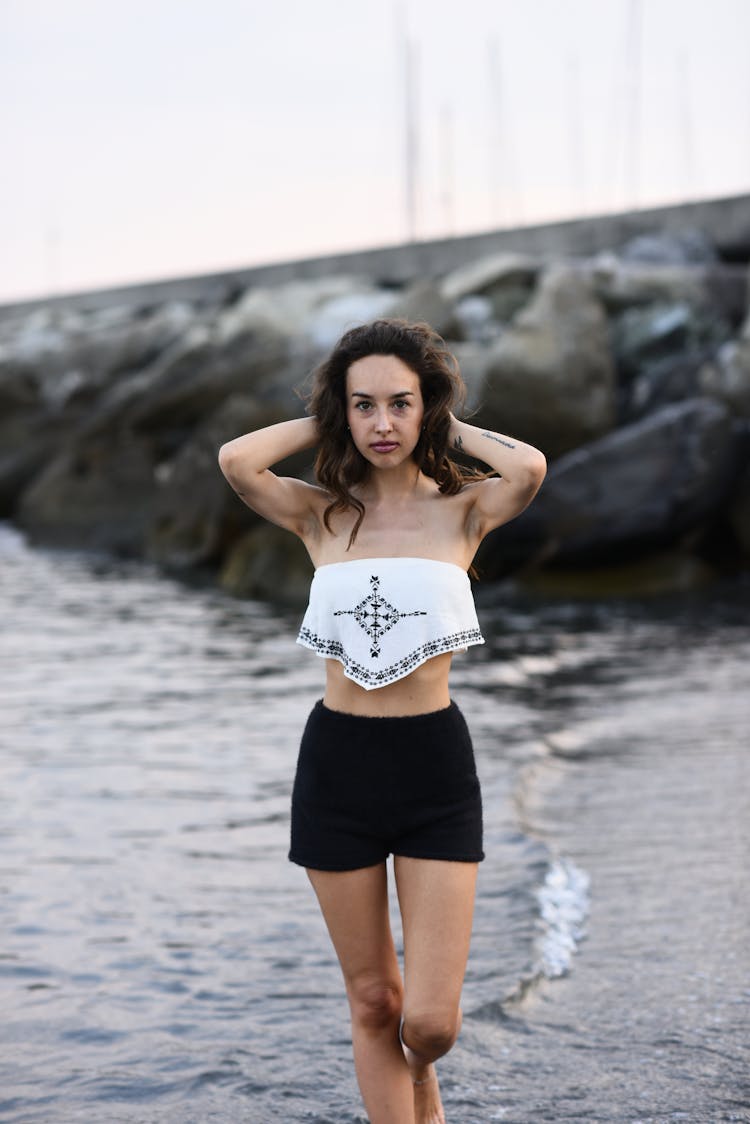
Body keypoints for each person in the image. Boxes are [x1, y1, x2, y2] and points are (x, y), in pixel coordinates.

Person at [218, 318, 546, 1124]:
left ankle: (421, 1078)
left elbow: (530, 466)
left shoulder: (465, 511)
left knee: (428, 1023)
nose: (382, 424)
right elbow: (237, 460)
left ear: (425, 407)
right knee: (373, 1000)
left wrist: (441, 418)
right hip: (339, 763)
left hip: (434, 763)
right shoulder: (320, 514)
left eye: (400, 405)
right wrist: (330, 411)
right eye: (363, 407)